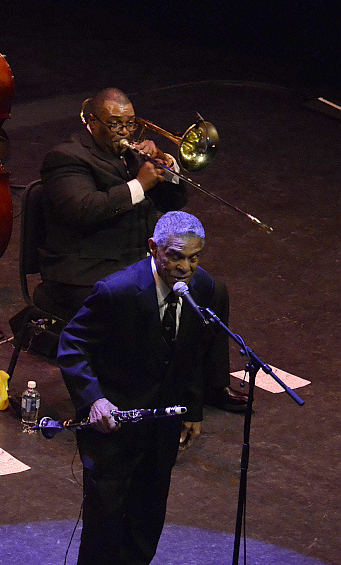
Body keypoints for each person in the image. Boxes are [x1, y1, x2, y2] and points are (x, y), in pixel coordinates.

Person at [57, 211, 218, 565]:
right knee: (106, 516)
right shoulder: (119, 291)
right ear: (154, 248)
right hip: (113, 425)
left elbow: (195, 353)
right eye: (177, 258)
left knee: (148, 512)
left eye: (195, 258)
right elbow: (72, 346)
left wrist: (194, 410)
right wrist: (95, 399)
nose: (186, 268)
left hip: (162, 424)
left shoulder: (202, 289)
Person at [37, 87, 248, 414]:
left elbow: (174, 204)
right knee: (142, 304)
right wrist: (140, 185)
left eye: (130, 124)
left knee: (211, 290)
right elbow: (83, 210)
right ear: (92, 121)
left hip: (135, 260)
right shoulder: (66, 158)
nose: (124, 132)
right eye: (115, 124)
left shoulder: (132, 155)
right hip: (84, 268)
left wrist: (167, 167)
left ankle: (212, 384)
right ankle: (139, 394)